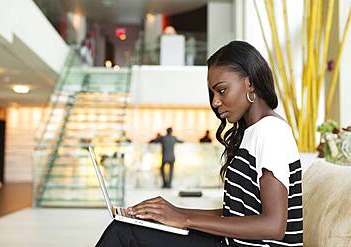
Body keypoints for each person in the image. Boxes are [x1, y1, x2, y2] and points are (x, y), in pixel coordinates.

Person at [96, 41, 303, 247]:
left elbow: (274, 226)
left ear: (250, 83)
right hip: (232, 242)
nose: (215, 102)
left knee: (125, 233)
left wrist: (185, 220)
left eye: (222, 90)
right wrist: (172, 212)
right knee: (133, 228)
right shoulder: (251, 131)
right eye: (213, 93)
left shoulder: (271, 131)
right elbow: (236, 213)